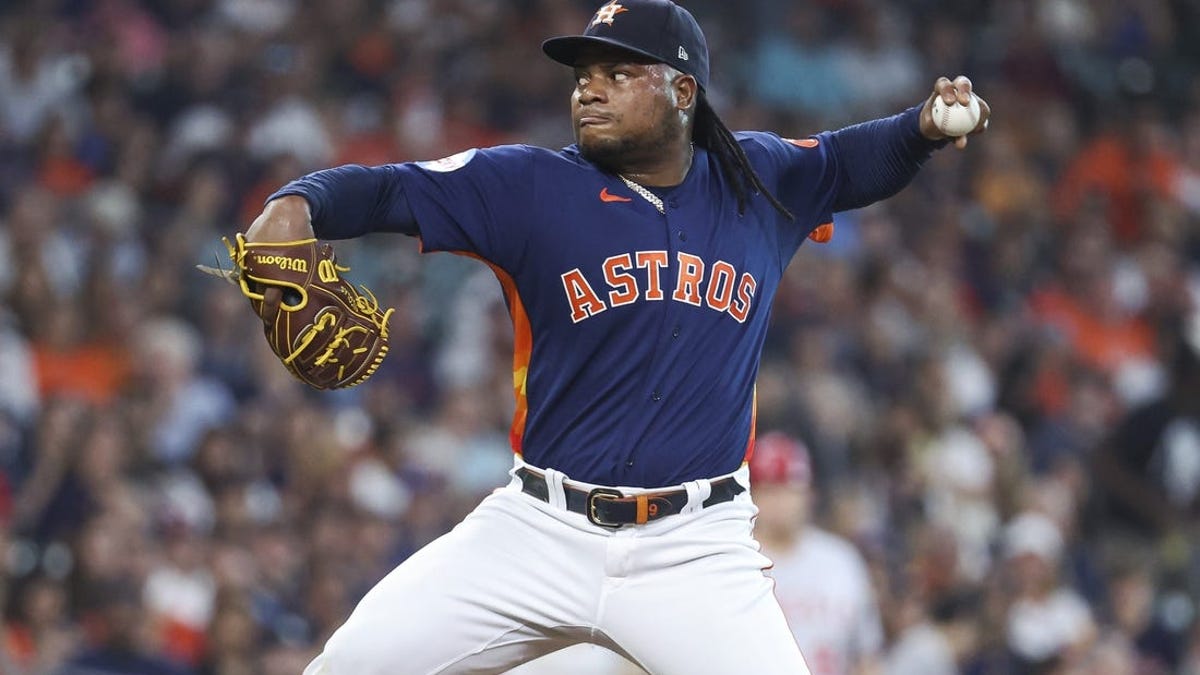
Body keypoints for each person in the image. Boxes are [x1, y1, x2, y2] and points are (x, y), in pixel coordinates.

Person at [241, 1, 990, 672]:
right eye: (583, 75)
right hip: (536, 529)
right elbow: (391, 188)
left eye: (618, 72)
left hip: (694, 548)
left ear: (682, 92)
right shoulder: (530, 186)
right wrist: (297, 200)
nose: (588, 88)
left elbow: (849, 159)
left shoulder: (755, 179)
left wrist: (922, 128)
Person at [749, 431, 884, 675]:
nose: (780, 501)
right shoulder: (738, 562)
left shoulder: (841, 560)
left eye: (789, 488)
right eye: (769, 489)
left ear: (809, 493)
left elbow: (866, 657)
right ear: (752, 496)